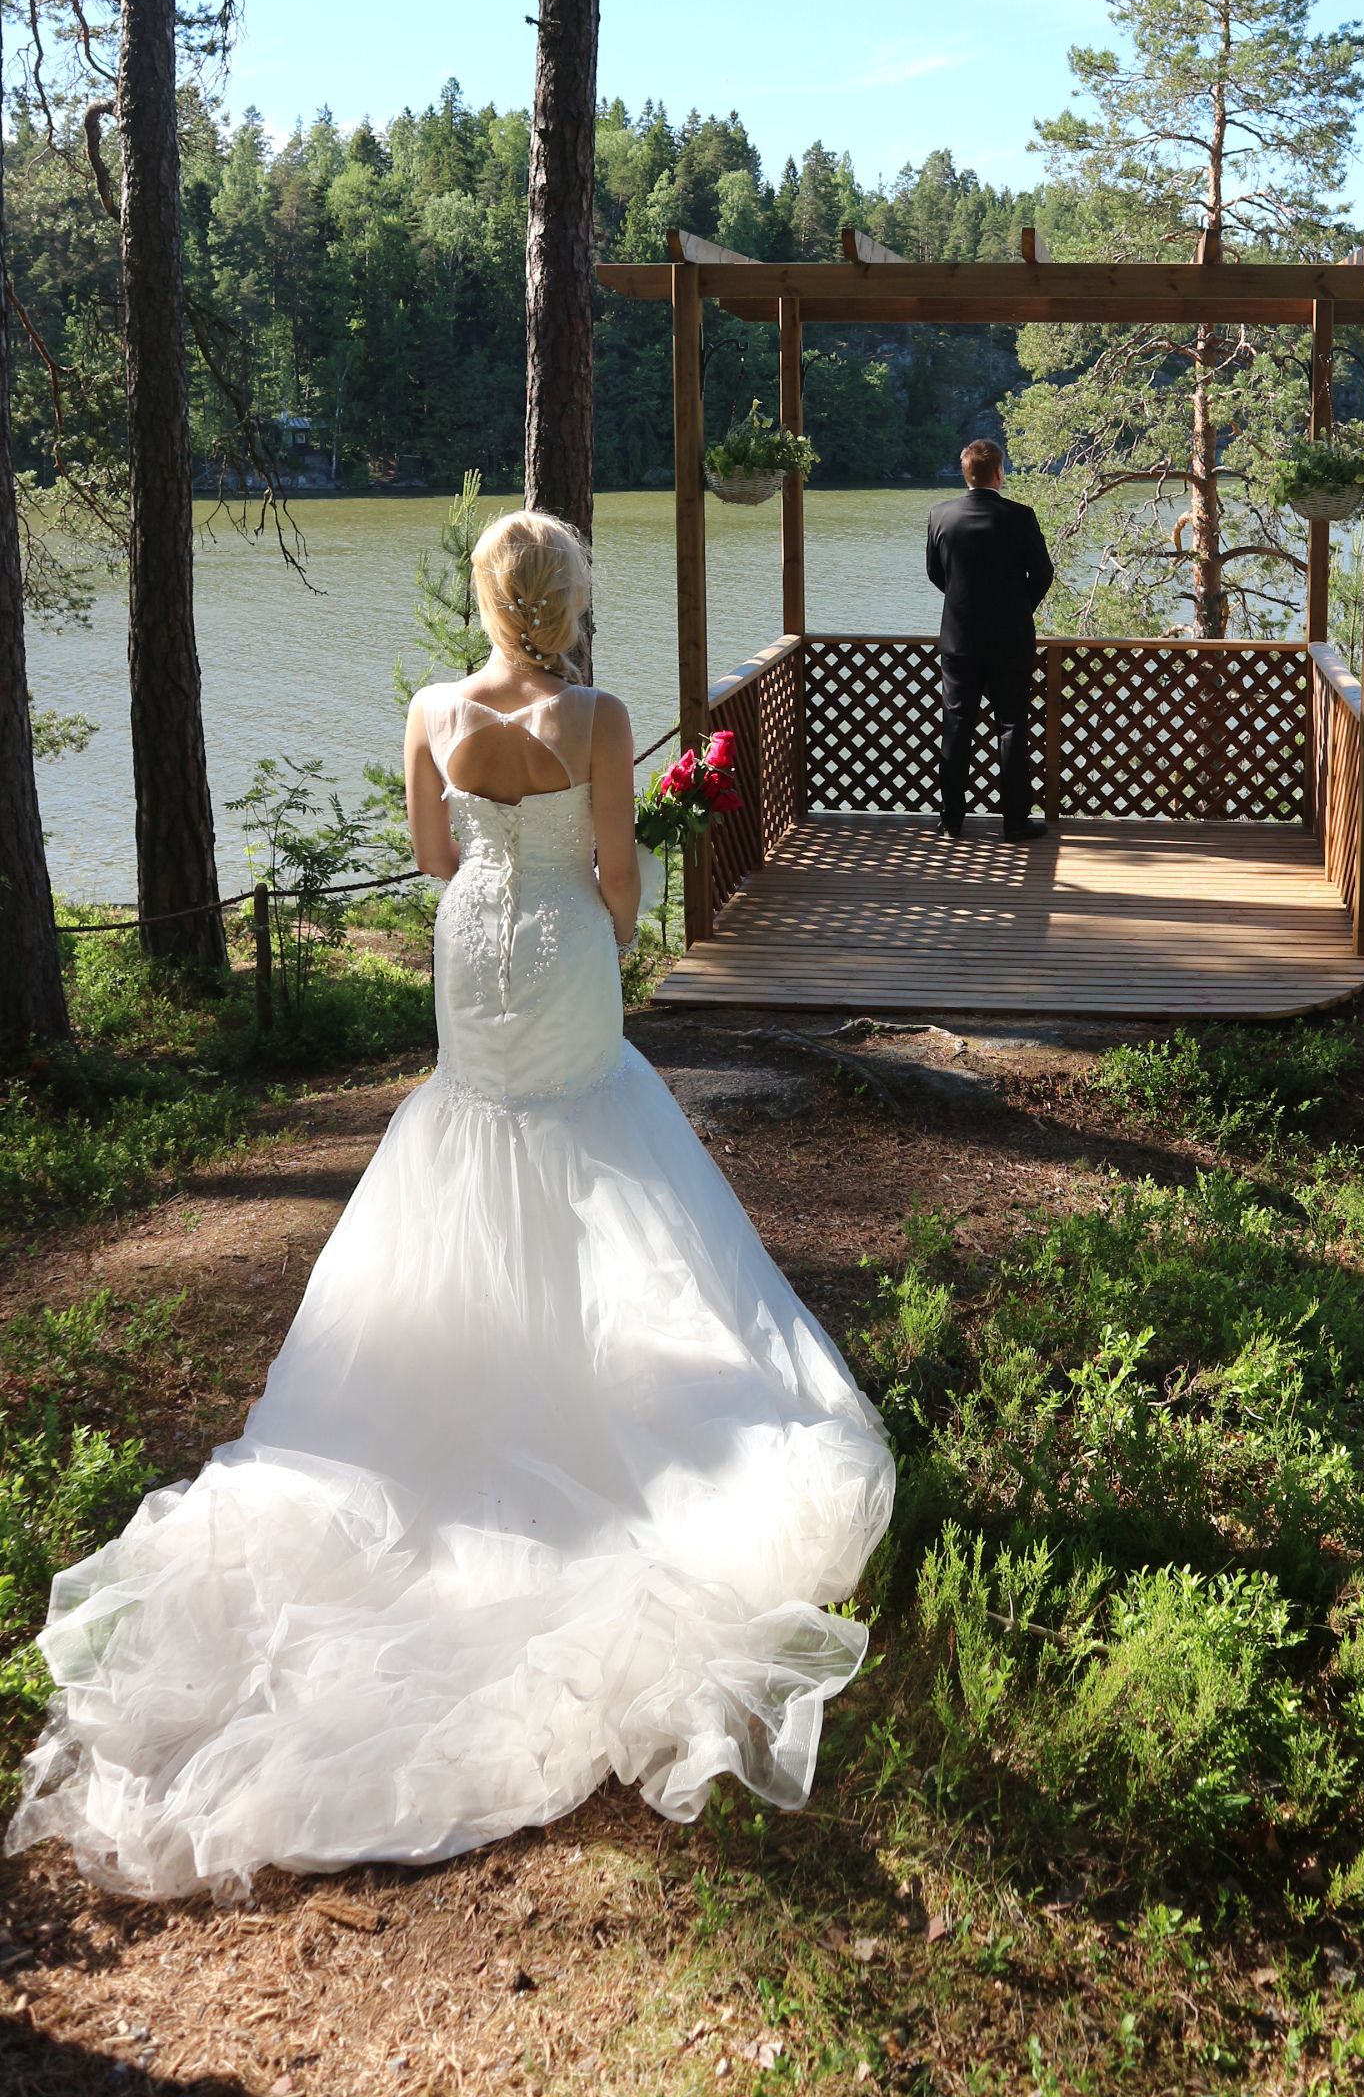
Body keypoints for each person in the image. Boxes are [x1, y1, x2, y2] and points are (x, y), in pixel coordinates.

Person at [7, 511, 893, 1900]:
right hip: (559, 946)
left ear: (488, 599)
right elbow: (617, 879)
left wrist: (498, 868)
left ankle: (479, 1369)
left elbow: (430, 855)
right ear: (569, 597)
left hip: (472, 944)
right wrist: (616, 903)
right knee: (590, 1135)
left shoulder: (429, 705)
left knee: (474, 1134)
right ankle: (574, 1385)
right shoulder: (596, 715)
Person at [925, 439, 1054, 842]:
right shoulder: (1020, 516)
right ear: (1000, 473)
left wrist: (965, 603)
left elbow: (935, 573)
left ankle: (951, 821)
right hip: (1010, 641)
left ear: (966, 474)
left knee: (956, 724)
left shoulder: (941, 516)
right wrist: (1017, 611)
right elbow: (1043, 574)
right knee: (1012, 723)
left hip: (959, 640)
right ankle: (1015, 821)